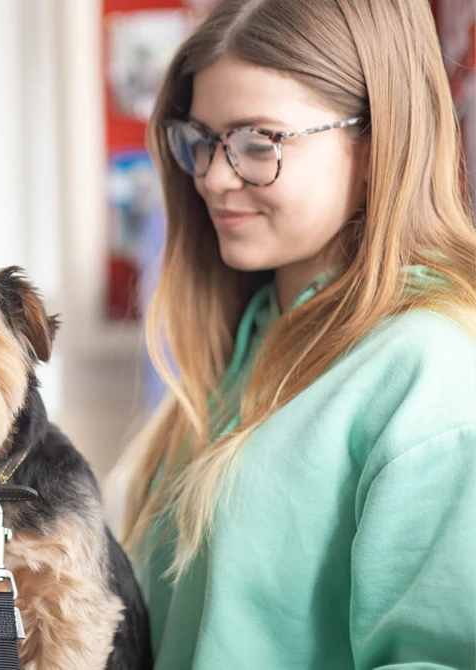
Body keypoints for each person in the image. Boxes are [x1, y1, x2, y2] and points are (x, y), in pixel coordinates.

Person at [107, 0, 476, 667]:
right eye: (203, 141)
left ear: (375, 144)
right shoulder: (246, 342)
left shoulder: (433, 372)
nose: (215, 177)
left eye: (259, 142)